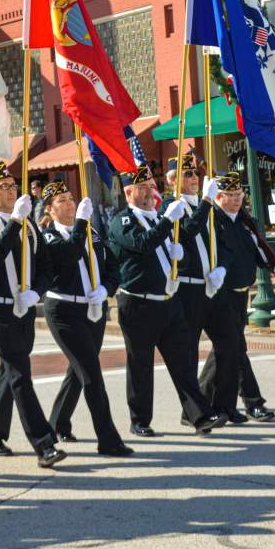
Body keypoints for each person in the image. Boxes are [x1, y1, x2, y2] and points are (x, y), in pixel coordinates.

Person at [108, 164, 227, 437]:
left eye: (150, 186)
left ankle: (199, 416)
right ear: (128, 193)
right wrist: (166, 223)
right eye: (142, 187)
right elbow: (143, 244)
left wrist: (177, 253)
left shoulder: (157, 219)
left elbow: (183, 236)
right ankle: (139, 420)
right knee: (140, 364)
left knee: (182, 362)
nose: (149, 192)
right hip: (138, 303)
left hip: (168, 301)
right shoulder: (123, 221)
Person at [0, 161, 66, 468]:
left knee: (9, 371)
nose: (11, 192)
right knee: (20, 374)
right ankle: (44, 443)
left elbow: (47, 267)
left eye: (13, 187)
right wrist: (15, 223)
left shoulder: (29, 225)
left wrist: (35, 293)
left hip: (24, 308)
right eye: (4, 188)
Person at [41, 180, 133, 456]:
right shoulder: (48, 236)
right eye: (62, 201)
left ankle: (56, 423)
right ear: (50, 209)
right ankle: (108, 439)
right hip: (64, 312)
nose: (70, 204)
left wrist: (107, 288)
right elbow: (69, 255)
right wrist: (81, 222)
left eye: (71, 198)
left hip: (93, 310)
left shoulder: (91, 231)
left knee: (78, 370)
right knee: (91, 373)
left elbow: (112, 265)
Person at [198, 172, 275, 422]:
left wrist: (274, 262)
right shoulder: (213, 219)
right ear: (219, 196)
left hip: (241, 294)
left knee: (226, 351)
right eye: (231, 195)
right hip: (220, 294)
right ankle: (252, 402)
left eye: (239, 195)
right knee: (236, 348)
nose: (237, 199)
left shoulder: (245, 221)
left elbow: (256, 249)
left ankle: (198, 402)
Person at [161, 155, 239, 425]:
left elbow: (227, 246)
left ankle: (225, 405)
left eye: (195, 174)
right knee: (188, 352)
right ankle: (192, 411)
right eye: (187, 174)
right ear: (172, 181)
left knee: (231, 344)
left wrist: (223, 269)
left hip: (214, 287)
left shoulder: (210, 209)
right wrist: (206, 202)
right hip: (188, 290)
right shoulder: (172, 207)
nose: (194, 178)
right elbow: (186, 234)